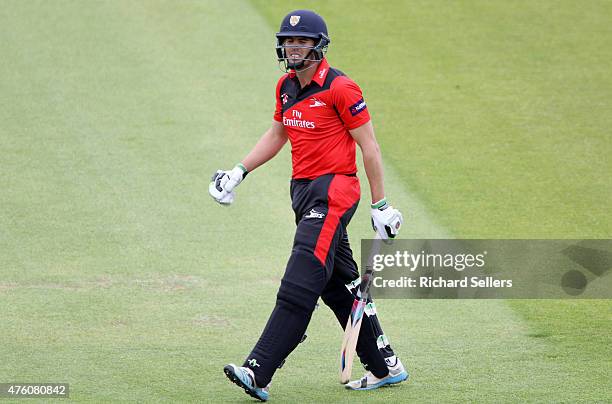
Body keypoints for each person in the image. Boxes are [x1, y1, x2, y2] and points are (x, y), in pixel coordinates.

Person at [209, 9, 408, 402]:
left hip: (334, 193)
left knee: (301, 279)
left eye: (301, 41)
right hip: (302, 193)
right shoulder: (285, 86)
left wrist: (381, 204)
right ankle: (386, 366)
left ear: (319, 45)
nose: (292, 46)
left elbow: (369, 147)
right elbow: (277, 133)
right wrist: (238, 171)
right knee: (339, 286)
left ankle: (258, 370)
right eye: (287, 40)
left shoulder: (341, 88)